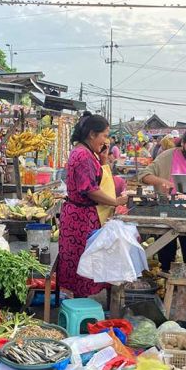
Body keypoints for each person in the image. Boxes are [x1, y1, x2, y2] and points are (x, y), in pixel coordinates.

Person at [58, 112, 128, 297]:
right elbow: (89, 189)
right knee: (83, 264)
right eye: (104, 135)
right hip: (80, 219)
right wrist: (115, 201)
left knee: (86, 262)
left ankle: (81, 302)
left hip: (82, 216)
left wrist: (103, 160)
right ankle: (80, 305)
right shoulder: (83, 155)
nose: (107, 141)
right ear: (91, 134)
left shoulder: (88, 153)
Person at [139, 126, 186, 271]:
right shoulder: (167, 156)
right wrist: (160, 182)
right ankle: (166, 282)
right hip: (167, 209)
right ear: (182, 143)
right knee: (166, 254)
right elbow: (143, 175)